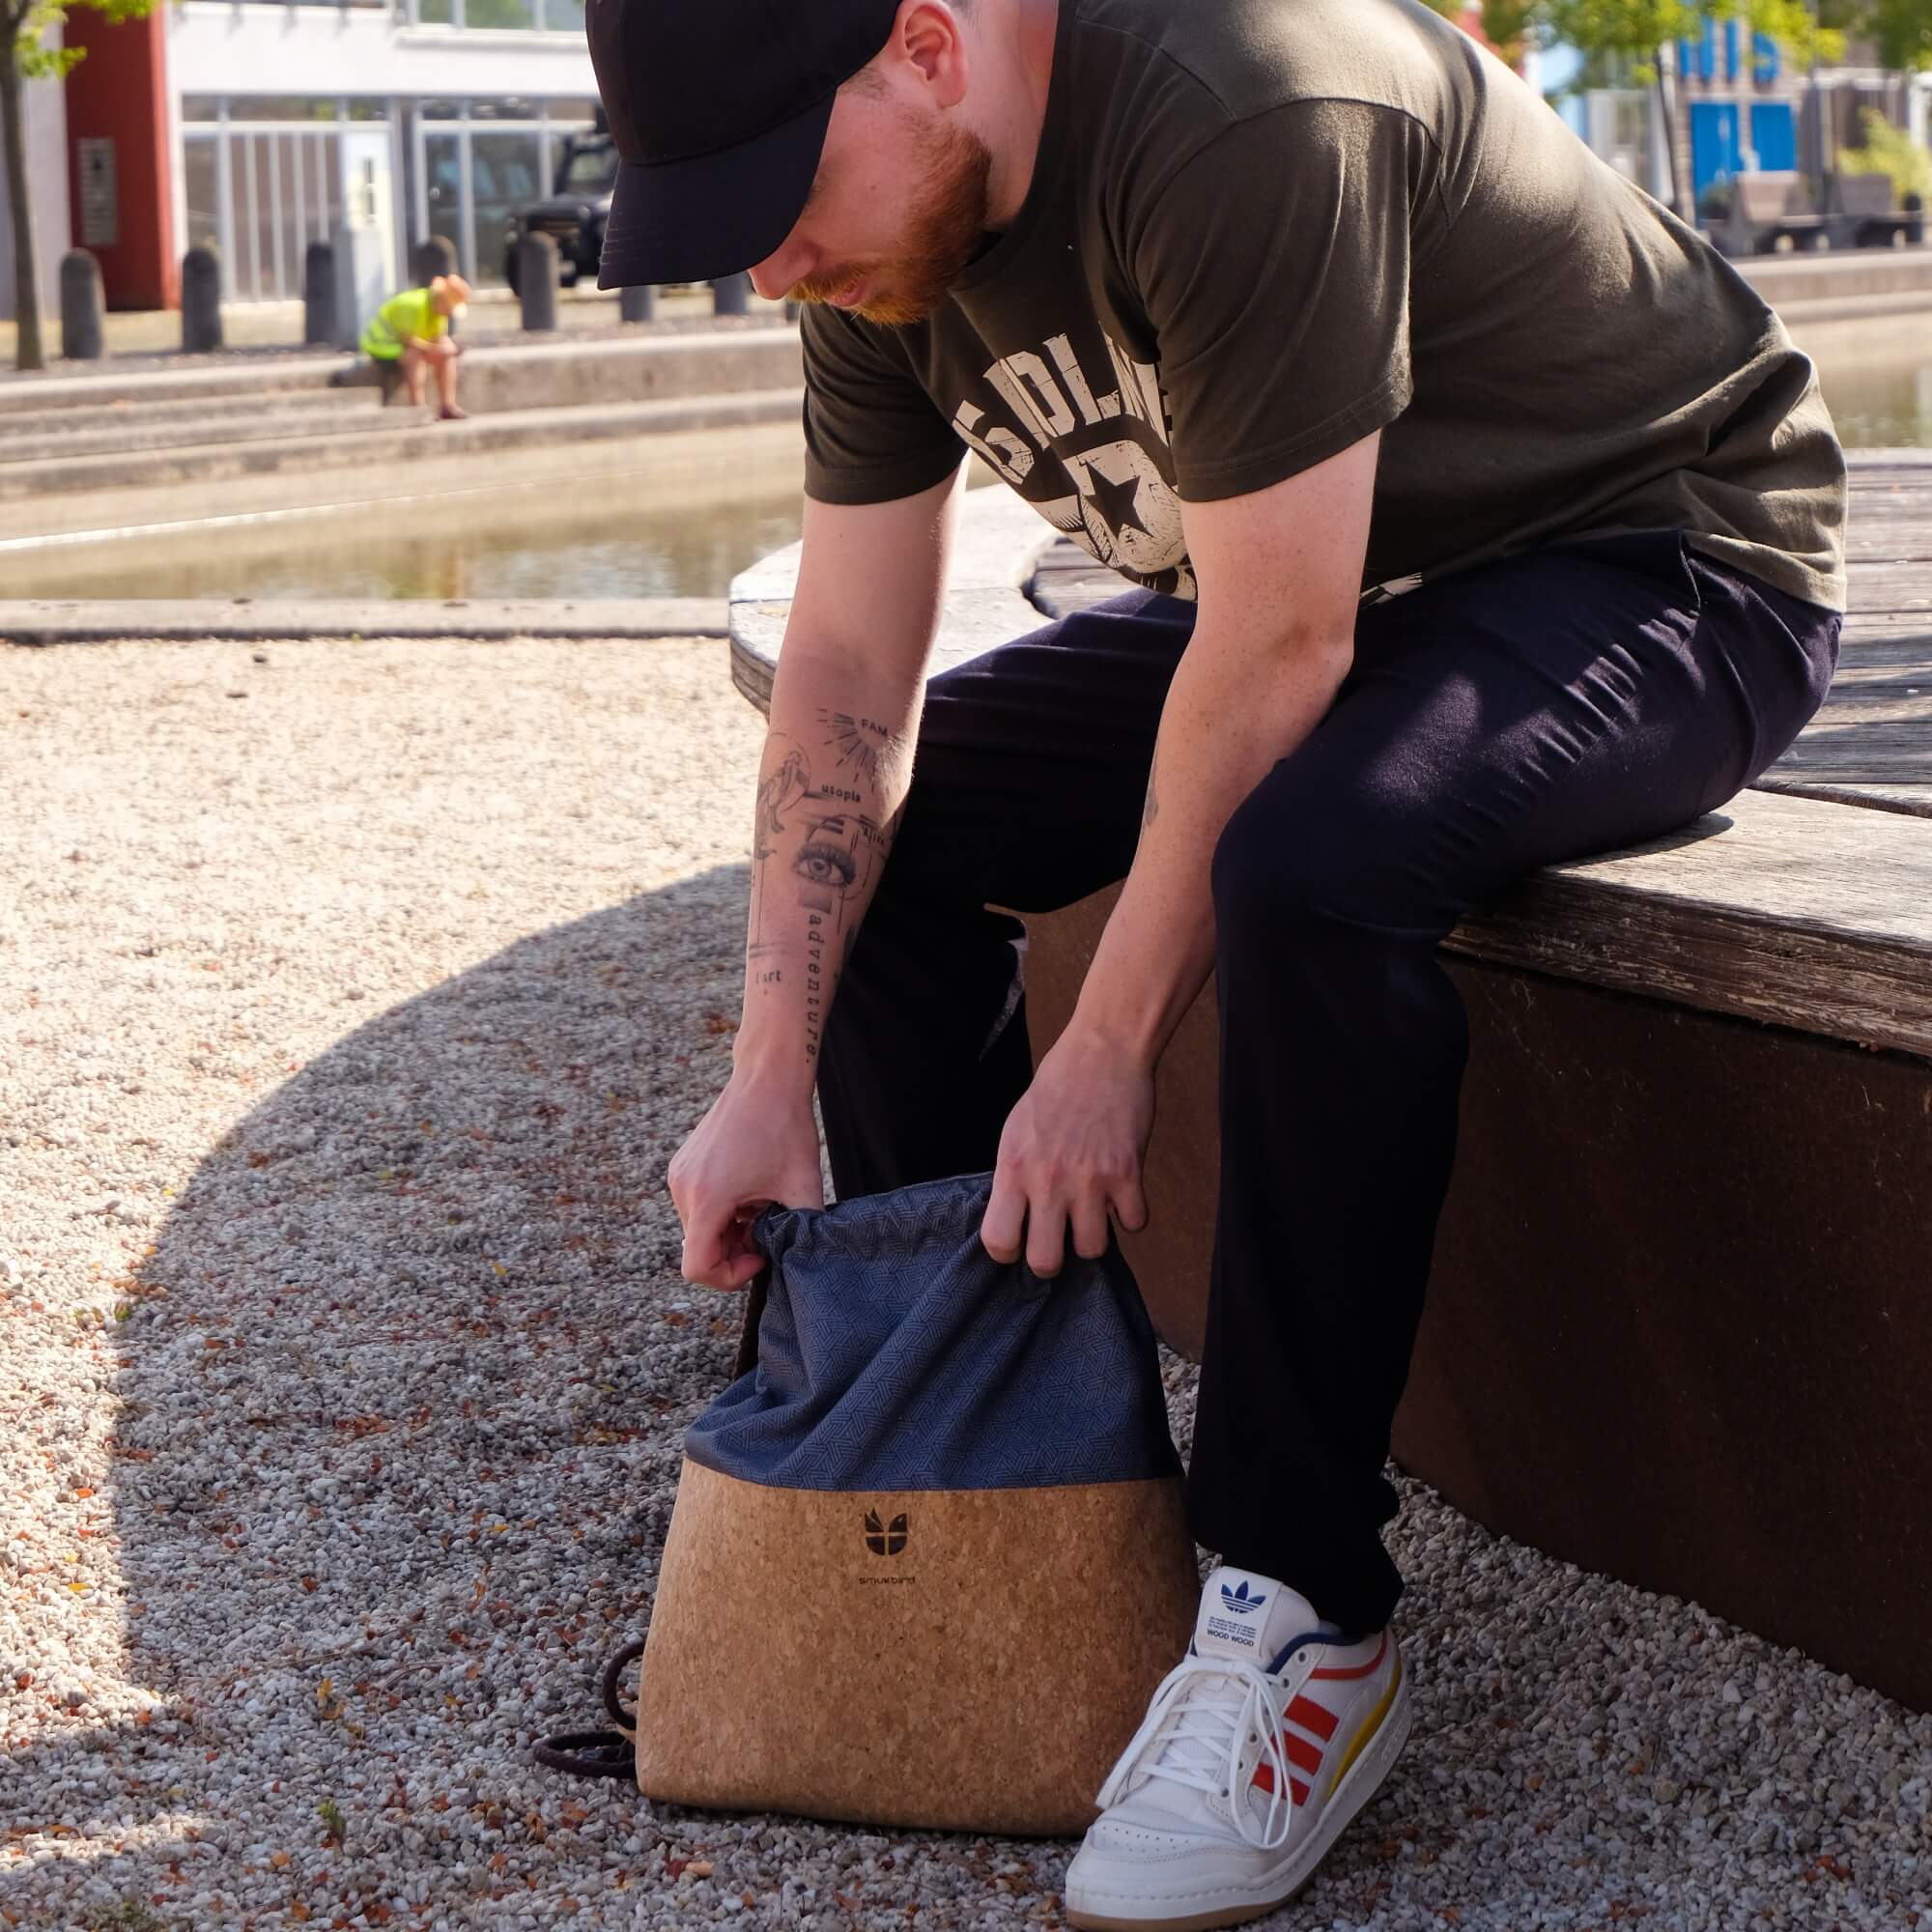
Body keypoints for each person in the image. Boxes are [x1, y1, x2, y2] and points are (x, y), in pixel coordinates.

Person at [590, 0, 1846, 1922]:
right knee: (899, 867)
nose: (772, 260)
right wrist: (768, 1073)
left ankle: (1304, 1617)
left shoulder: (1241, 94)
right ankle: (989, 1491)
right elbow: (845, 678)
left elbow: (1275, 655)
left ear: (924, 43)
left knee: (1314, 863)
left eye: (777, 194)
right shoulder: (876, 238)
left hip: (1654, 557)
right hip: (1316, 585)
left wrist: (1104, 1041)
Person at [359, 272, 470, 420]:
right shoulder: (413, 305)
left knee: (446, 356)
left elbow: (439, 339)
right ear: (443, 301)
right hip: (381, 346)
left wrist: (449, 350)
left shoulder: (438, 313)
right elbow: (409, 341)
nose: (450, 313)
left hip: (403, 345)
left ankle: (448, 406)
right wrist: (438, 349)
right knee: (415, 355)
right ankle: (418, 407)